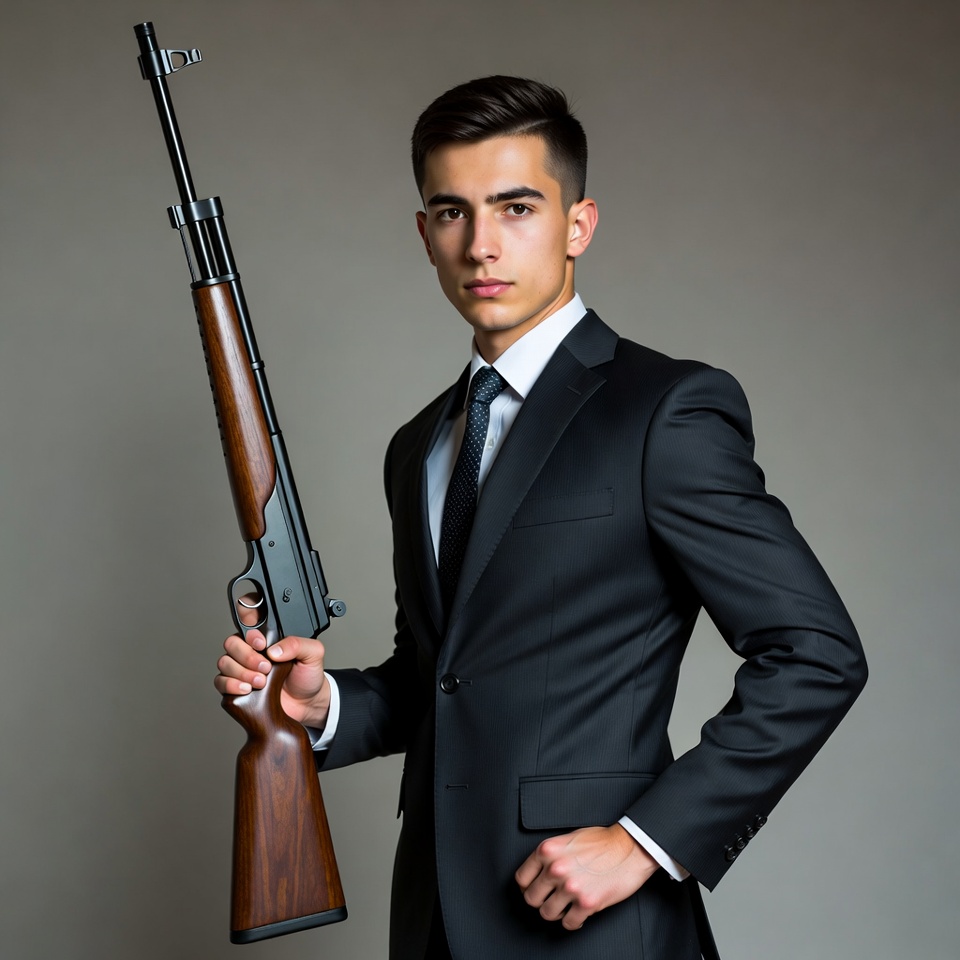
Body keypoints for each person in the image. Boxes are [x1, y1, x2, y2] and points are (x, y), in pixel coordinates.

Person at [215, 76, 867, 960]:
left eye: (516, 207)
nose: (481, 244)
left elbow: (816, 651)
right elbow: (441, 678)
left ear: (578, 225)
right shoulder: (418, 447)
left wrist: (644, 842)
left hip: (594, 926)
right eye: (452, 212)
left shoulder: (664, 411)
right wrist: (321, 704)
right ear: (425, 235)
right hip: (434, 920)